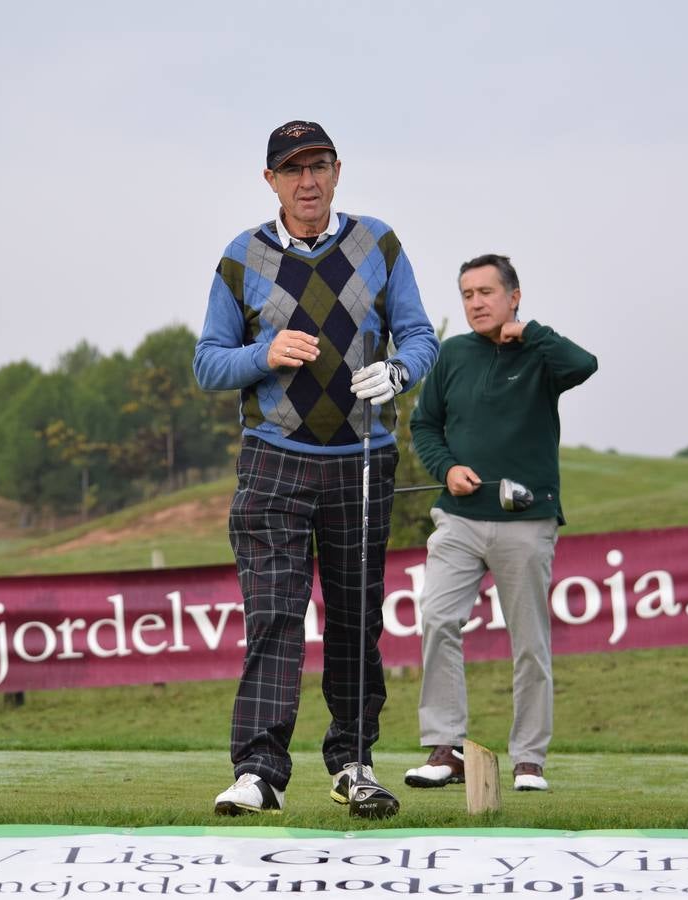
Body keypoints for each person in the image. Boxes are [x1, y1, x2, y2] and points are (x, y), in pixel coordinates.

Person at [194, 120, 439, 816]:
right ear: (269, 180)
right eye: (292, 170)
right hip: (273, 460)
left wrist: (400, 369)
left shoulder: (378, 244)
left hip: (363, 459)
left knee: (356, 619)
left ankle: (354, 763)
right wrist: (263, 354)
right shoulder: (241, 258)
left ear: (337, 173)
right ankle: (259, 772)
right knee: (274, 614)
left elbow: (420, 335)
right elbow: (209, 362)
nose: (308, 182)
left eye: (319, 166)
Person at [406, 253, 597, 793]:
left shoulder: (540, 352)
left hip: (527, 520)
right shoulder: (452, 355)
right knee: (439, 618)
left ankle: (529, 759)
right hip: (460, 518)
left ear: (513, 296)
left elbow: (584, 365)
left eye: (487, 292)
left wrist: (530, 333)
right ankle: (446, 747)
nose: (476, 303)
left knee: (529, 641)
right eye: (467, 295)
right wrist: (449, 469)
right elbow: (425, 426)